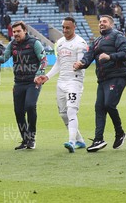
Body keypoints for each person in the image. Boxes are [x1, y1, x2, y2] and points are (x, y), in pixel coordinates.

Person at [74, 15, 126, 152]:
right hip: (103, 78)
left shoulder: (118, 35)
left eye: (104, 21)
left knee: (109, 104)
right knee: (99, 107)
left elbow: (125, 53)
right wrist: (81, 63)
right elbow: (89, 56)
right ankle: (98, 139)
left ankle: (120, 133)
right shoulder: (97, 41)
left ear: (111, 24)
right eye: (99, 22)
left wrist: (110, 56)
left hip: (117, 75)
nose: (101, 24)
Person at [34, 17, 88, 153]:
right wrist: (47, 77)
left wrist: (79, 65)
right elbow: (58, 63)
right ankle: (80, 141)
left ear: (74, 27)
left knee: (71, 110)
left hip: (74, 81)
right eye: (63, 27)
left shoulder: (80, 43)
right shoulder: (60, 43)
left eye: (67, 28)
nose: (64, 30)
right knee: (63, 113)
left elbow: (83, 62)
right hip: (61, 82)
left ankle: (71, 141)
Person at [0, 21, 47, 150]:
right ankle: (25, 139)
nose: (15, 34)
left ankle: (31, 137)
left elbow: (43, 60)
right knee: (18, 112)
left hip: (33, 81)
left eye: (18, 31)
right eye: (13, 32)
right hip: (19, 83)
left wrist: (39, 74)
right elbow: (4, 58)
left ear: (25, 30)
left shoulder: (34, 43)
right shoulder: (12, 44)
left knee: (30, 106)